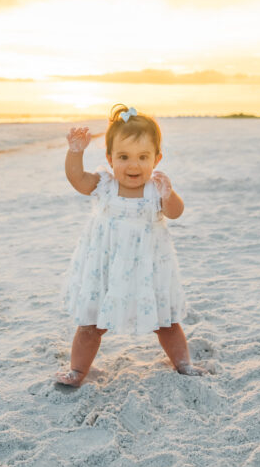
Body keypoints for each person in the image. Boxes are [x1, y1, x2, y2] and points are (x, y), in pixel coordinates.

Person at [56, 103, 204, 387]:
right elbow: (77, 180)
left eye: (142, 157)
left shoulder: (155, 189)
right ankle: (77, 370)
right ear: (110, 158)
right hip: (106, 267)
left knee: (167, 322)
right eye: (123, 156)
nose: (133, 165)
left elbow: (176, 212)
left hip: (148, 269)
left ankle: (183, 363)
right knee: (90, 324)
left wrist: (169, 194)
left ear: (156, 159)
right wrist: (75, 152)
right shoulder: (104, 184)